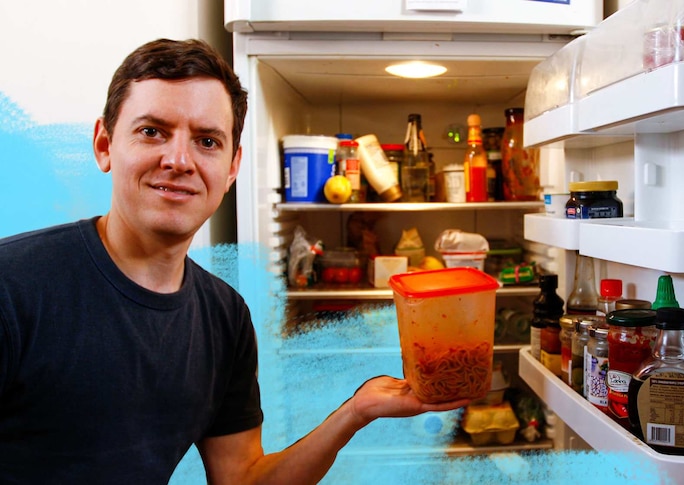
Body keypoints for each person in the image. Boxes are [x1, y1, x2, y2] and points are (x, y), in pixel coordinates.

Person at [0, 38, 469, 484]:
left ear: (231, 168)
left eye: (207, 141)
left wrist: (355, 412)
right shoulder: (14, 286)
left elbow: (243, 478)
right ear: (105, 144)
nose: (179, 159)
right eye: (151, 132)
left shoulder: (223, 317)